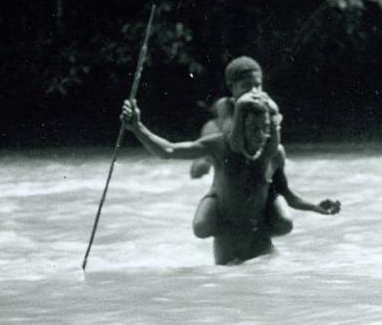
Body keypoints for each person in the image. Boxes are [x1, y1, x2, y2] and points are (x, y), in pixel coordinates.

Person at [121, 91, 339, 265]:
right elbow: (168, 151)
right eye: (253, 128)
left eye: (264, 128)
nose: (260, 135)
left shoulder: (274, 154)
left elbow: (285, 193)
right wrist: (137, 128)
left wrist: (316, 207)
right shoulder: (219, 146)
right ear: (239, 127)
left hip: (262, 250)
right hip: (228, 254)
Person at [190, 56, 266, 180]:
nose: (254, 91)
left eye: (257, 85)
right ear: (232, 88)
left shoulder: (265, 106)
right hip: (223, 154)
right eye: (246, 86)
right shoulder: (225, 105)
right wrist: (240, 108)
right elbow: (232, 139)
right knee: (201, 166)